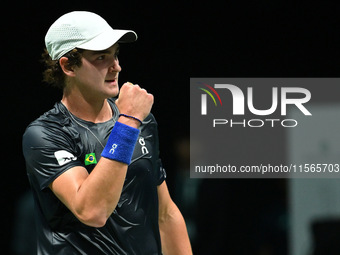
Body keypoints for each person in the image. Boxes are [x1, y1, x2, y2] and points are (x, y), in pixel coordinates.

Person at [22, 11, 192, 255]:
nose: (117, 67)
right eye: (102, 57)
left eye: (116, 55)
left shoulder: (141, 121)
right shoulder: (45, 133)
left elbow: (165, 214)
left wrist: (130, 121)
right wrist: (128, 122)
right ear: (68, 65)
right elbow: (92, 211)